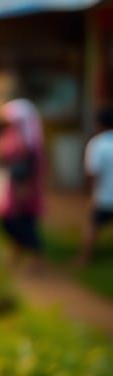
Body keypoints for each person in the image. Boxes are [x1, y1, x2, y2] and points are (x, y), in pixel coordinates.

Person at [0, 97, 46, 265]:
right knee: (8, 219)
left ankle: (35, 257)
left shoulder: (29, 141)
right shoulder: (11, 135)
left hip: (24, 186)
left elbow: (28, 164)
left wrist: (24, 186)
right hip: (11, 184)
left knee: (24, 220)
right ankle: (17, 251)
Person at [81, 104, 113, 265]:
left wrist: (90, 194)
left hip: (104, 196)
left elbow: (92, 173)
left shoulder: (98, 144)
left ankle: (85, 257)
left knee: (93, 226)